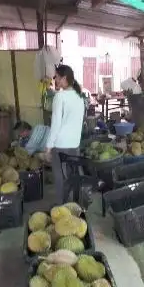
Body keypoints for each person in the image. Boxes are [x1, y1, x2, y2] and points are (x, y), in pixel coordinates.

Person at [45, 64, 86, 204]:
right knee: (73, 176)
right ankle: (76, 204)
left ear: (64, 78)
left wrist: (49, 147)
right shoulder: (79, 96)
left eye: (56, 76)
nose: (55, 79)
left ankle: (60, 206)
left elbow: (55, 124)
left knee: (59, 178)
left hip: (60, 144)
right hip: (74, 144)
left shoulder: (60, 97)